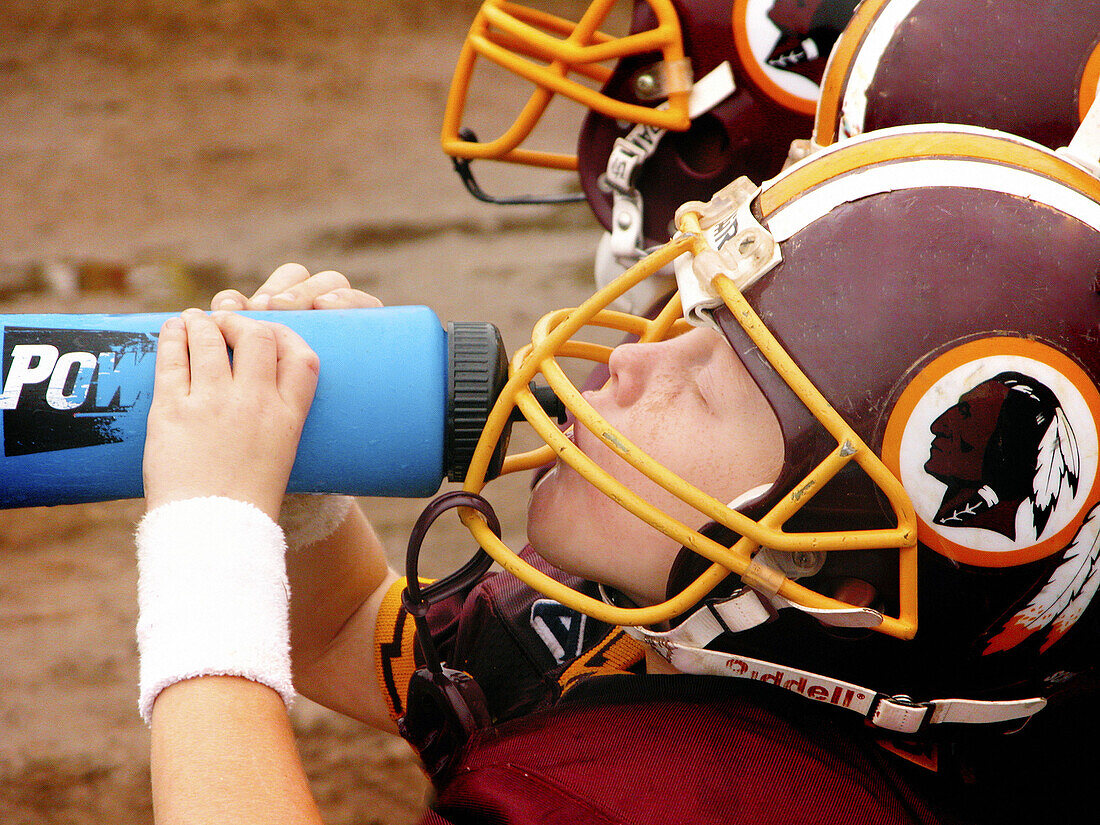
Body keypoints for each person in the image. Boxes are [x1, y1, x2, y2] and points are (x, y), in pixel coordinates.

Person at [136, 124, 1100, 824]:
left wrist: (207, 543)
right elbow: (355, 632)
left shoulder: (726, 799)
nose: (634, 361)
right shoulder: (691, 629)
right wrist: (300, 509)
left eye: (711, 383)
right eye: (690, 325)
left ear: (845, 579)